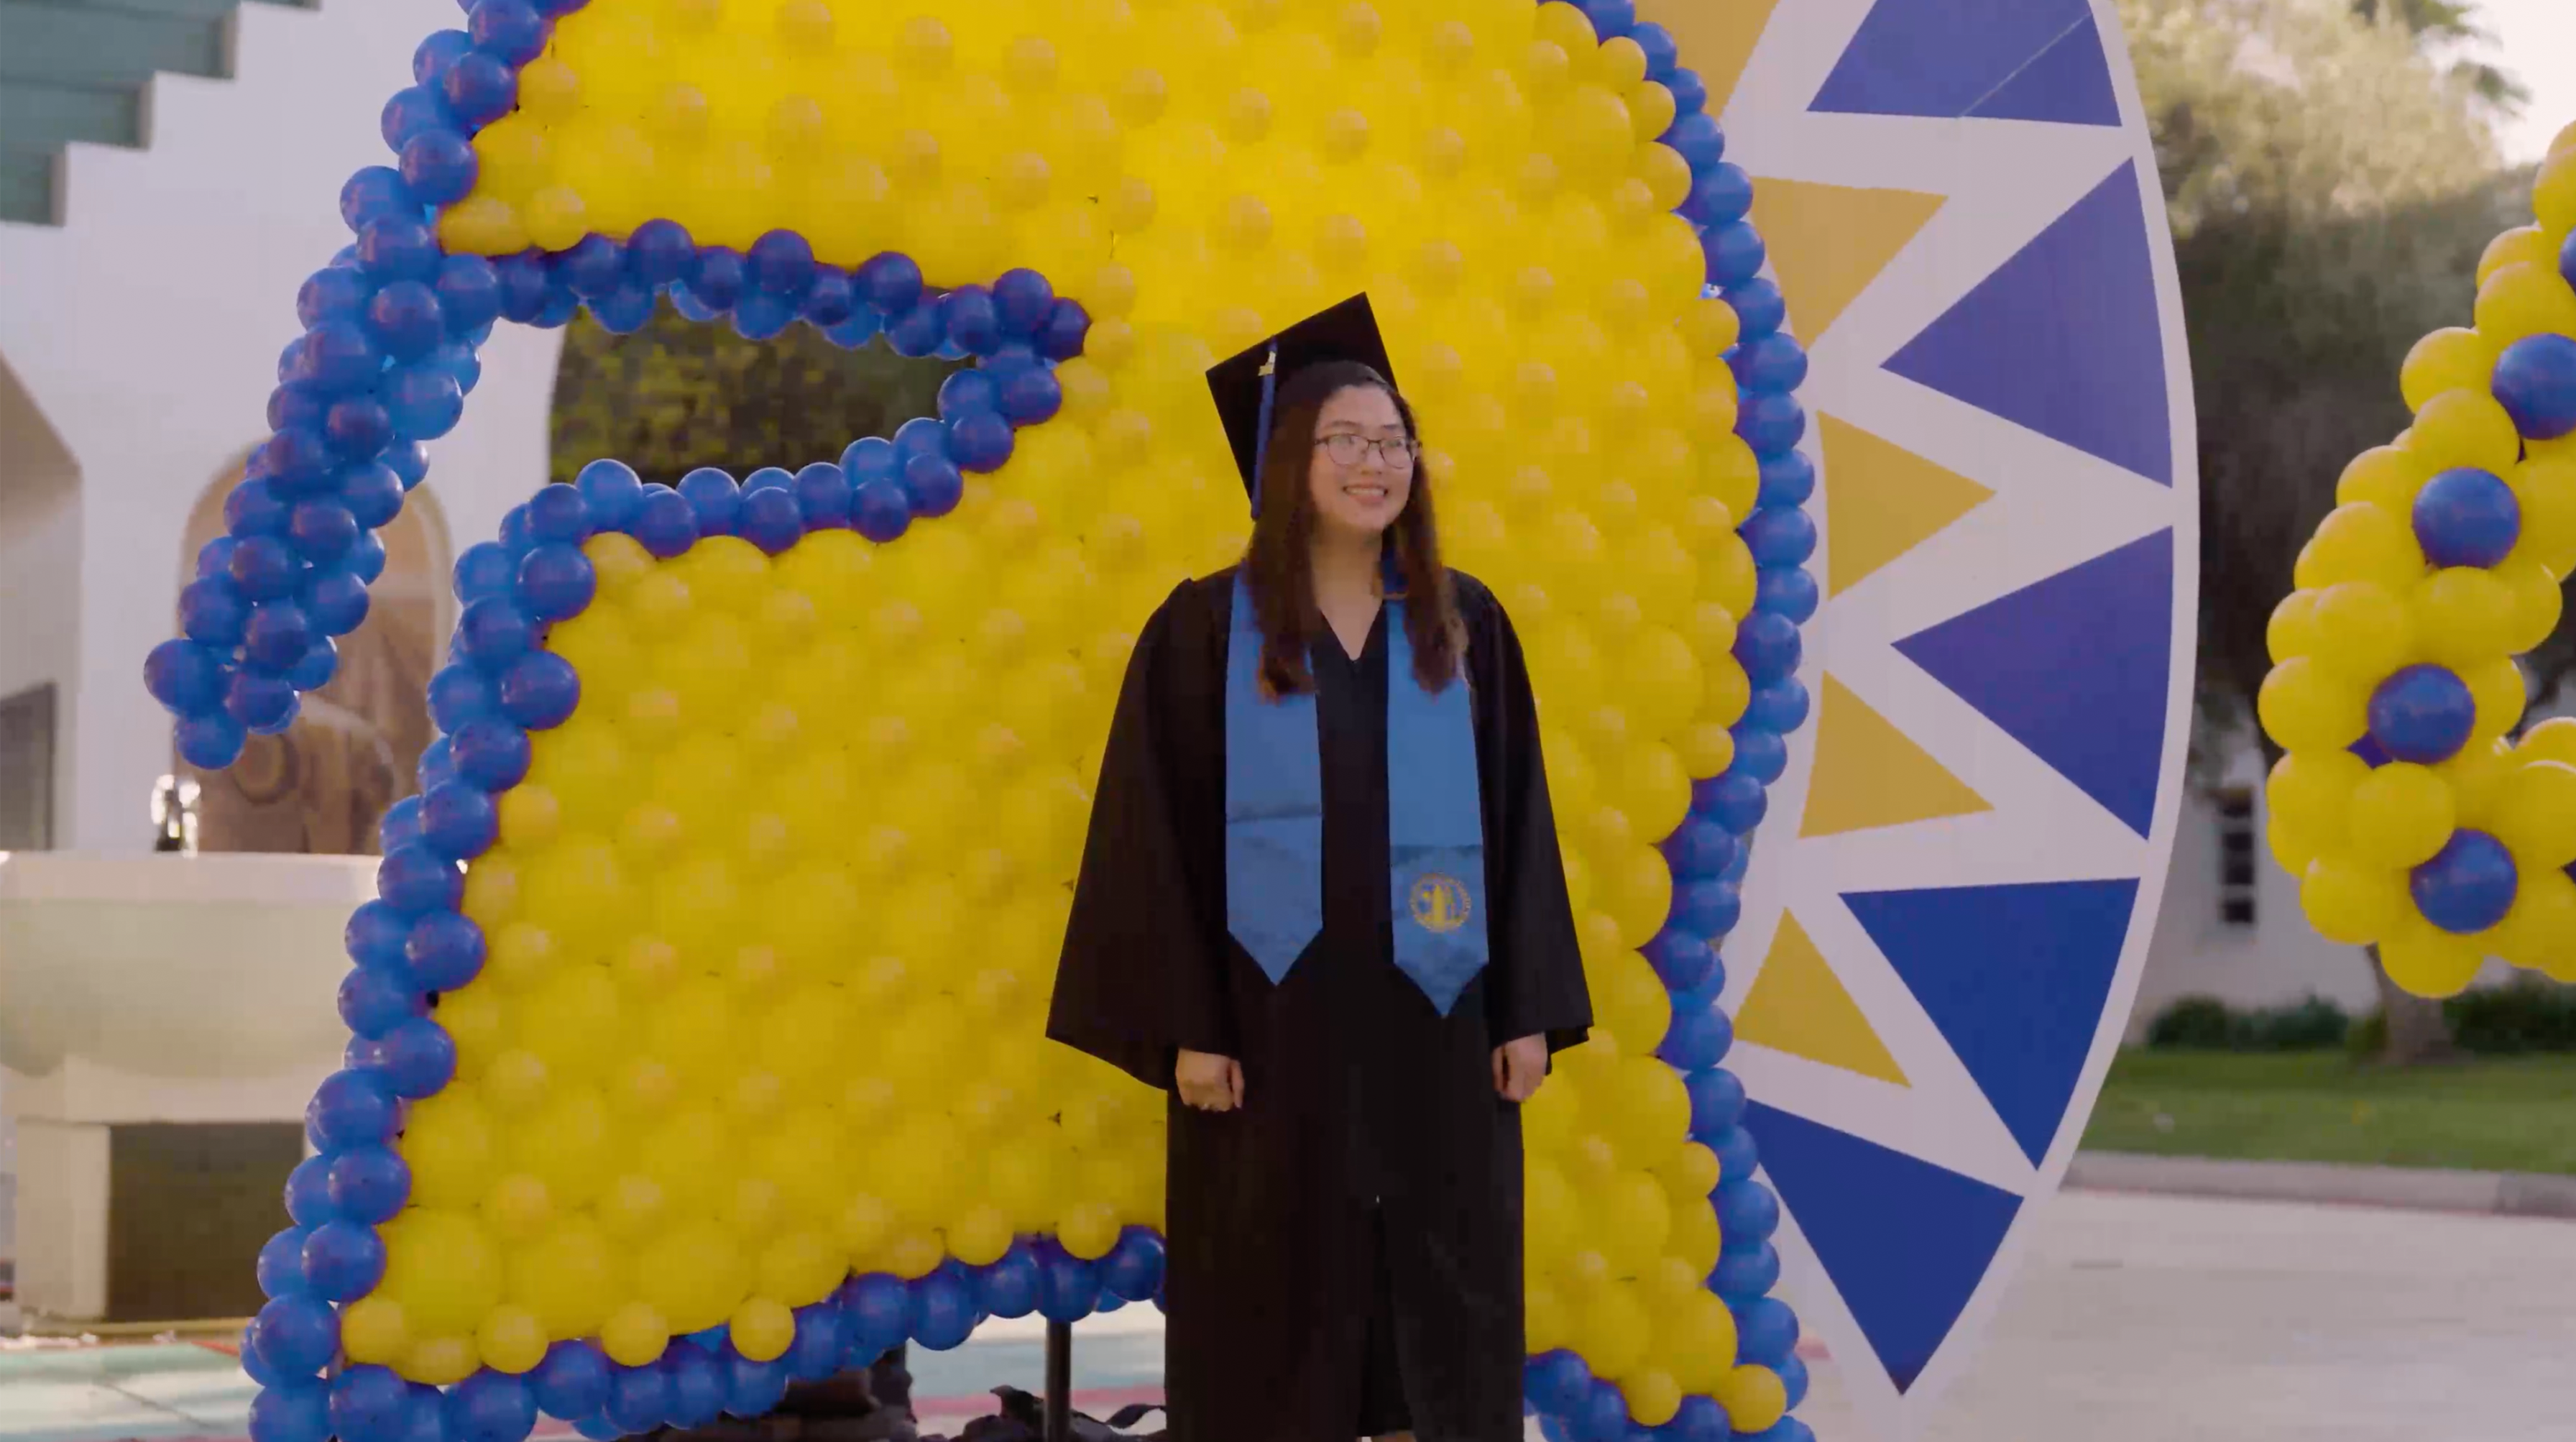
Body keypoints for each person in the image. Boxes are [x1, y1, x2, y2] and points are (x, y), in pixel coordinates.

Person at [1046, 293, 1593, 1442]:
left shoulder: (1464, 627)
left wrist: (1527, 1007)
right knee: (1270, 1320)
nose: (1374, 463)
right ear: (1284, 463)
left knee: (1433, 1321)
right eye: (1344, 440)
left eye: (1393, 442)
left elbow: (1518, 815)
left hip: (1437, 1036)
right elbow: (1153, 839)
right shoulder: (1203, 630)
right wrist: (1186, 1024)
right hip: (1268, 1043)